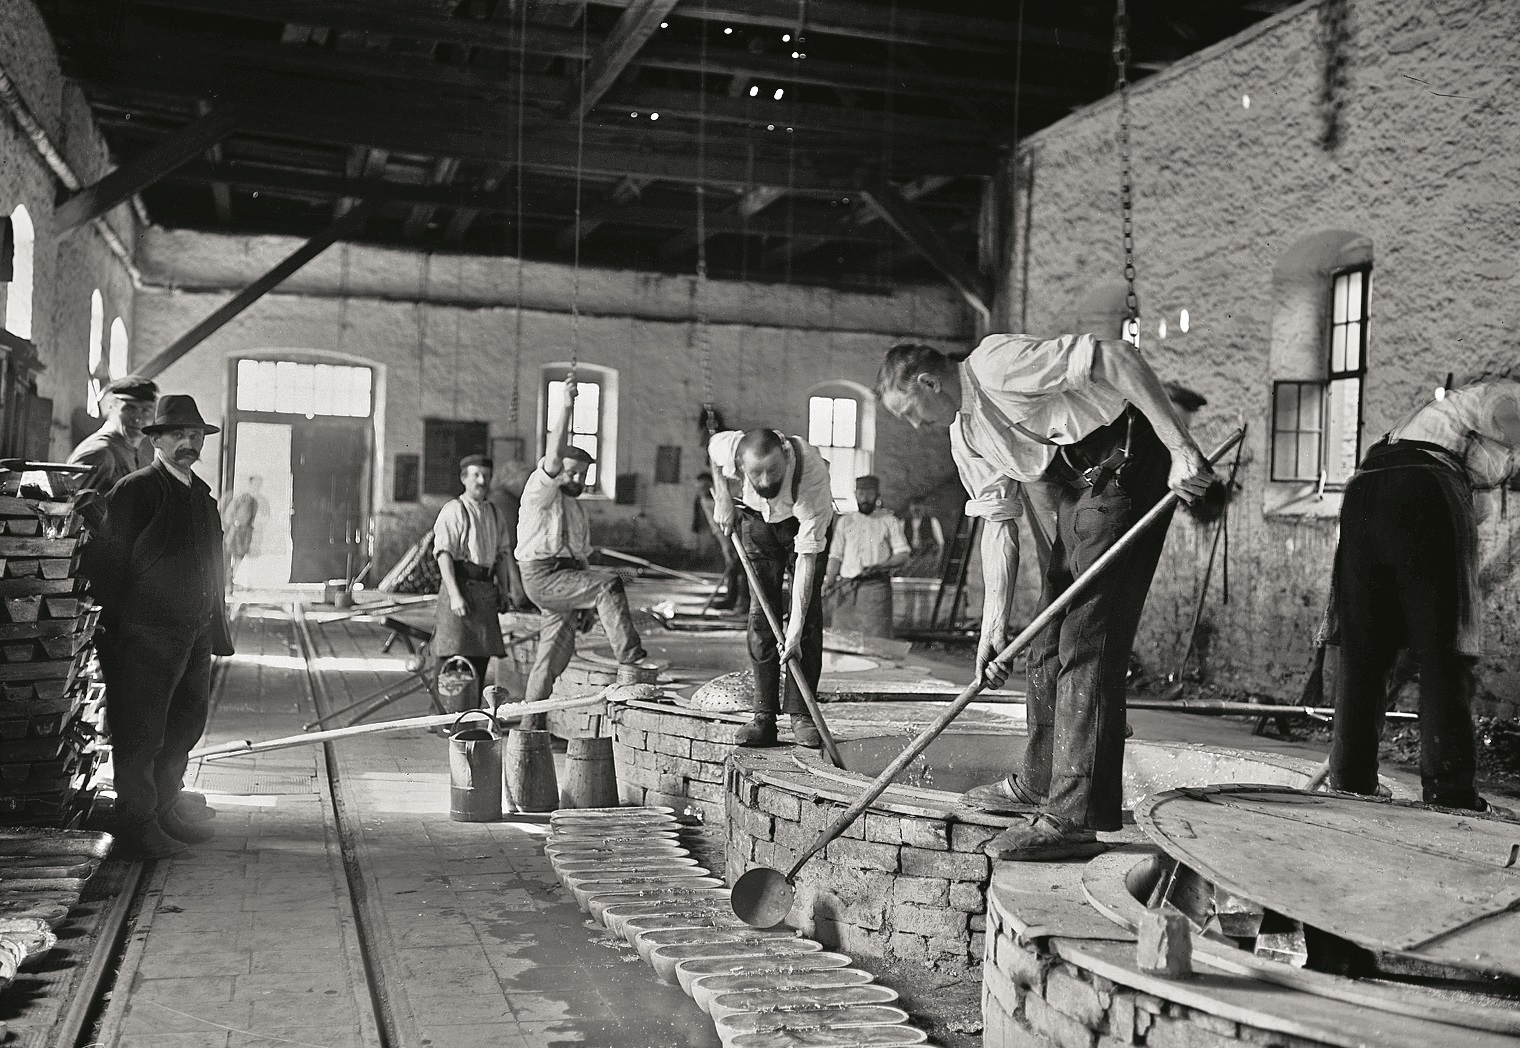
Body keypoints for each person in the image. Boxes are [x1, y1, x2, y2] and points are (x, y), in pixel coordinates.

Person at [876, 334, 1212, 860]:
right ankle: (1039, 783)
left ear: (928, 382)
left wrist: (1181, 448)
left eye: (910, 412)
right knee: (1046, 641)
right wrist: (992, 631)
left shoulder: (995, 365)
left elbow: (1116, 356)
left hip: (1128, 456)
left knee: (1087, 638)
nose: (915, 426)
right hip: (1081, 479)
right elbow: (998, 526)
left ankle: (1074, 818)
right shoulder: (966, 435)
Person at [1328, 376, 1520, 818]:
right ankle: (1451, 794)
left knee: (1364, 650)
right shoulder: (1506, 393)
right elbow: (1507, 420)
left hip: (1364, 490)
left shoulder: (1435, 422)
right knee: (1443, 654)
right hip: (1423, 488)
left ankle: (1351, 782)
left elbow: (1478, 504)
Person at [93, 395, 234, 859]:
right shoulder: (135, 491)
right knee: (142, 730)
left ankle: (166, 809)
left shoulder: (200, 496)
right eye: (178, 435)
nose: (188, 443)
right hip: (147, 632)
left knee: (184, 724)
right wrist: (117, 631)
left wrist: (212, 622)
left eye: (195, 435)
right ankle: (138, 825)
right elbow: (108, 566)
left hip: (194, 630)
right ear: (156, 440)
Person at [516, 377, 649, 727]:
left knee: (551, 659)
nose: (576, 479)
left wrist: (586, 604)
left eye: (583, 475)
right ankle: (631, 661)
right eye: (571, 473)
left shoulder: (575, 508)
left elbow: (580, 558)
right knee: (609, 585)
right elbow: (553, 454)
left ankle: (529, 729)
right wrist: (567, 405)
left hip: (566, 578)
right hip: (542, 577)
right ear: (557, 470)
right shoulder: (539, 493)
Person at [708, 427, 835, 748]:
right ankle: (764, 716)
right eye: (756, 473)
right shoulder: (730, 447)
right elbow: (712, 450)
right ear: (740, 464)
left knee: (806, 619)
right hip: (757, 524)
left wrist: (794, 633)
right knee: (761, 618)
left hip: (802, 526)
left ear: (786, 455)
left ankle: (801, 715)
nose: (765, 480)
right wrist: (723, 497)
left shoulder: (811, 474)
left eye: (774, 470)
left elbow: (807, 560)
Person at [433, 454, 513, 691]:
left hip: (485, 591)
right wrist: (455, 595)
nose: (482, 480)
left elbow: (502, 556)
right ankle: (442, 712)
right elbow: (444, 554)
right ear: (463, 478)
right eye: (476, 475)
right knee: (450, 657)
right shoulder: (454, 510)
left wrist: (504, 592)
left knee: (480, 659)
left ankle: (472, 709)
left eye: (486, 476)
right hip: (460, 586)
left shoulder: (495, 513)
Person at [68, 375, 158, 527]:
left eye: (146, 410)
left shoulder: (130, 450)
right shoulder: (100, 452)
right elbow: (64, 511)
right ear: (111, 407)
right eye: (129, 409)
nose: (138, 419)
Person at [826, 476, 910, 638]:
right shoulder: (845, 522)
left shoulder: (889, 521)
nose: (865, 499)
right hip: (846, 589)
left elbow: (903, 554)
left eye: (870, 494)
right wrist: (829, 581)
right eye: (861, 494)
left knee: (875, 640)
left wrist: (881, 565)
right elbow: (836, 556)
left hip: (876, 589)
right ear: (855, 494)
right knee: (842, 638)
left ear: (877, 495)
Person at [694, 471, 749, 614]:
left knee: (745, 566)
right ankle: (730, 598)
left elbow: (740, 515)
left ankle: (744, 602)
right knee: (730, 564)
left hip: (741, 528)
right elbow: (714, 525)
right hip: (726, 531)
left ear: (711, 485)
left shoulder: (725, 493)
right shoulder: (704, 500)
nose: (702, 491)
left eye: (704, 487)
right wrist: (726, 546)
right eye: (699, 488)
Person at [221, 475, 265, 590]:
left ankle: (233, 580)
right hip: (235, 531)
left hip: (245, 532)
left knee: (240, 556)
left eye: (259, 485)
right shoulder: (242, 498)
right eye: (255, 484)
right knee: (230, 555)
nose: (257, 487)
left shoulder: (255, 501)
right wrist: (234, 525)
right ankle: (227, 583)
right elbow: (229, 515)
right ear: (250, 484)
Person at [903, 496, 946, 577]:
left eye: (919, 507)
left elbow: (941, 543)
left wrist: (937, 560)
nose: (917, 510)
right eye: (914, 507)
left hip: (927, 557)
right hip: (910, 558)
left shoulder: (932, 521)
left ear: (924, 508)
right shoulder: (903, 523)